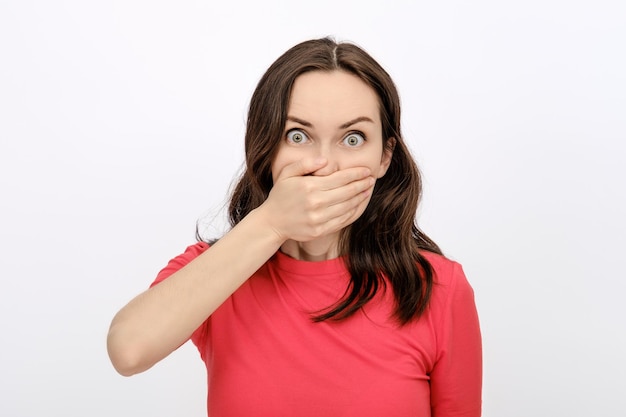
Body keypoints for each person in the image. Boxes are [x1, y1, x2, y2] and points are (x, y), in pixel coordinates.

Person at [107, 37, 482, 417]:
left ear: (384, 157)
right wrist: (271, 222)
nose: (323, 164)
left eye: (353, 139)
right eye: (297, 136)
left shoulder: (439, 288)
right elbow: (128, 351)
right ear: (266, 146)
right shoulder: (220, 269)